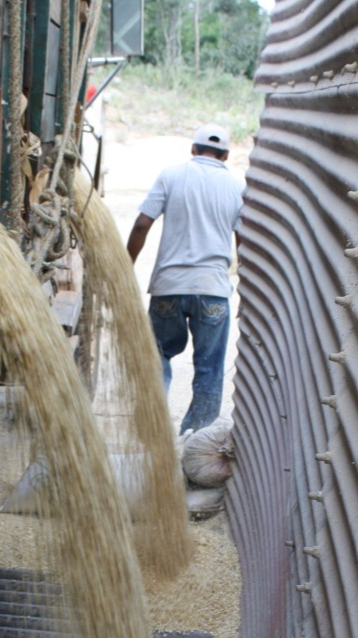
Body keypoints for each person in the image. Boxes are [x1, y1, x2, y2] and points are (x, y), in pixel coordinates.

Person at [127, 124, 244, 434]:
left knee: (158, 356)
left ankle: (153, 434)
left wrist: (127, 265)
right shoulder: (237, 188)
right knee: (209, 368)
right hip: (214, 292)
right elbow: (243, 242)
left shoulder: (172, 175)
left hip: (169, 288)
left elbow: (141, 224)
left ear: (192, 150)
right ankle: (192, 441)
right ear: (226, 155)